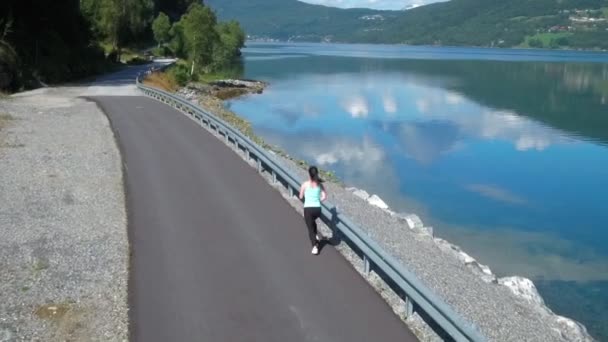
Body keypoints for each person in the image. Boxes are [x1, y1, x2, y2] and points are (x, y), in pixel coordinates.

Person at [299, 166, 327, 255]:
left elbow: (300, 196)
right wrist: (318, 200)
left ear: (309, 174)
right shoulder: (320, 184)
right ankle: (315, 236)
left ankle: (315, 246)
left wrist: (306, 199)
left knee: (310, 229)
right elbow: (324, 196)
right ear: (317, 173)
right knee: (312, 221)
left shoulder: (305, 184)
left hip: (308, 209)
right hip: (318, 210)